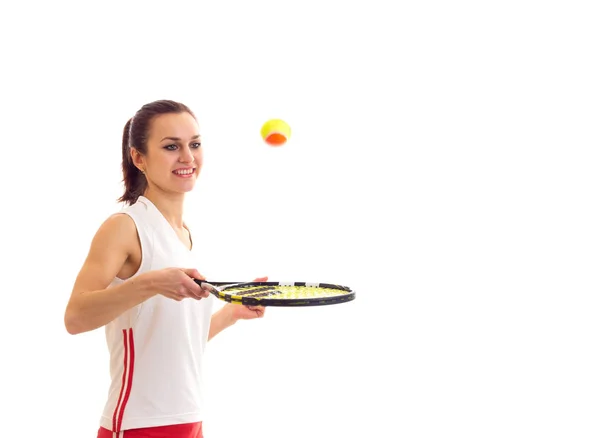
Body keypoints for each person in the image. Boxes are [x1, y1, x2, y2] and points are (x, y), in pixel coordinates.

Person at [63, 99, 266, 438]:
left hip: (190, 420)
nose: (188, 157)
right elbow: (75, 317)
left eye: (195, 144)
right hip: (138, 425)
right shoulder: (125, 226)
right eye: (172, 146)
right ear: (138, 158)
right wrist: (152, 283)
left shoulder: (185, 236)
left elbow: (175, 340)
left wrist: (231, 313)